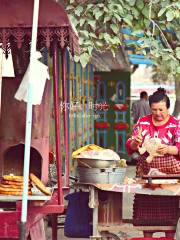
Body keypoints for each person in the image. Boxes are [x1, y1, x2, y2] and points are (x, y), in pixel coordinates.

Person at [126, 87, 180, 237]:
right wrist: (135, 144)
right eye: (154, 110)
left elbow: (179, 148)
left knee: (170, 219)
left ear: (168, 108)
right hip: (146, 177)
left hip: (170, 181)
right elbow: (131, 146)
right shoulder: (143, 122)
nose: (157, 113)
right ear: (150, 108)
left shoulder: (176, 124)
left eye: (161, 110)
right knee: (147, 218)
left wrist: (168, 149)